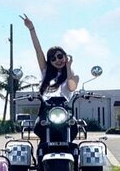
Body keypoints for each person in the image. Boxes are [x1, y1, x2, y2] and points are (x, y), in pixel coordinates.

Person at [19, 13, 79, 142]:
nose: (57, 60)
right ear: (49, 61)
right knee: (39, 127)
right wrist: (31, 29)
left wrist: (68, 67)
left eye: (60, 56)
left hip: (65, 111)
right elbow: (38, 50)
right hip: (47, 111)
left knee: (74, 128)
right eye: (53, 58)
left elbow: (71, 87)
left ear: (65, 56)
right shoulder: (46, 72)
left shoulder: (73, 75)